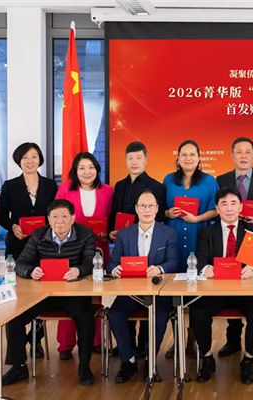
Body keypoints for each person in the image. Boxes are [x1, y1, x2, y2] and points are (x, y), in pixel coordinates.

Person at [2, 199, 96, 386]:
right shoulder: (38, 235)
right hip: (43, 294)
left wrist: (78, 270)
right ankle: (18, 367)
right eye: (55, 217)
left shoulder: (85, 234)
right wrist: (31, 271)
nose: (59, 221)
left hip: (73, 294)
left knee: (86, 317)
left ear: (73, 218)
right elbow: (21, 263)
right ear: (48, 219)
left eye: (64, 216)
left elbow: (90, 262)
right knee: (14, 317)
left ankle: (84, 367)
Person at [190, 187, 253, 385]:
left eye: (234, 203)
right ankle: (207, 358)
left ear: (241, 207)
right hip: (216, 290)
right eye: (224, 204)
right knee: (197, 310)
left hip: (244, 290)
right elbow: (200, 258)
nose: (229, 208)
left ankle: (248, 360)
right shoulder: (207, 232)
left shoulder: (252, 231)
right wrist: (206, 268)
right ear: (217, 208)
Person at [106, 189, 178, 383]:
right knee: (114, 314)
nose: (147, 210)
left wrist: (160, 268)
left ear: (157, 209)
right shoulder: (124, 234)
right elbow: (111, 264)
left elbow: (173, 262)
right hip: (130, 291)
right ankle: (128, 360)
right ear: (136, 209)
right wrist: (115, 269)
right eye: (143, 206)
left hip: (157, 292)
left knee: (160, 317)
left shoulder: (168, 233)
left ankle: (150, 361)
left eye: (151, 206)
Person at [216, 137, 253, 358]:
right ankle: (232, 340)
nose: (243, 156)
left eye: (247, 152)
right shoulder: (221, 179)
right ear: (232, 155)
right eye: (239, 152)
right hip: (229, 239)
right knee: (230, 289)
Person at [108, 141, 167, 357]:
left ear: (146, 159)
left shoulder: (157, 187)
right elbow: (114, 212)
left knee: (151, 306)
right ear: (125, 160)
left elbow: (159, 218)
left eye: (138, 158)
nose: (134, 162)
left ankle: (144, 347)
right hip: (126, 245)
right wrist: (112, 230)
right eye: (130, 158)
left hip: (149, 247)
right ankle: (128, 347)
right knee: (126, 297)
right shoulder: (119, 185)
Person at [0, 143, 58, 359]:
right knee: (17, 294)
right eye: (25, 157)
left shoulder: (50, 185)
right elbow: (1, 215)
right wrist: (12, 226)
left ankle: (36, 339)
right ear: (19, 161)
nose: (30, 161)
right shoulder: (10, 186)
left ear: (40, 159)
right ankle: (17, 346)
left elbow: (56, 213)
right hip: (17, 244)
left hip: (44, 245)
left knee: (41, 293)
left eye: (34, 156)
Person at [163, 139, 219, 357]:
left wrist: (197, 219)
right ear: (177, 158)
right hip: (173, 239)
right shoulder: (169, 180)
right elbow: (160, 208)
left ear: (199, 158)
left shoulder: (209, 181)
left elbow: (216, 210)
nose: (188, 158)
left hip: (199, 238)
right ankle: (177, 339)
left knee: (197, 293)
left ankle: (193, 339)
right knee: (173, 293)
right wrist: (167, 213)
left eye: (192, 154)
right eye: (184, 154)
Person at [55, 152, 113, 359]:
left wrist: (108, 231)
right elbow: (58, 217)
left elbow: (111, 218)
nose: (87, 171)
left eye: (91, 167)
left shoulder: (108, 191)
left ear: (97, 169)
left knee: (96, 294)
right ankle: (65, 344)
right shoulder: (65, 190)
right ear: (75, 171)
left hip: (98, 249)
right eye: (82, 168)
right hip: (71, 249)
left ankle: (95, 341)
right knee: (69, 295)